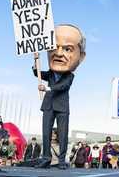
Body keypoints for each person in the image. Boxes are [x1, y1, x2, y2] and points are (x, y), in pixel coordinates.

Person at [33, 24, 86, 170]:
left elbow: (63, 87)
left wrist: (47, 88)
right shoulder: (49, 73)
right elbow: (37, 73)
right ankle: (46, 159)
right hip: (48, 105)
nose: (58, 53)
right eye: (54, 47)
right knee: (46, 134)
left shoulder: (69, 75)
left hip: (62, 107)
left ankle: (61, 160)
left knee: (62, 134)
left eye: (67, 49)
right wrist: (35, 60)